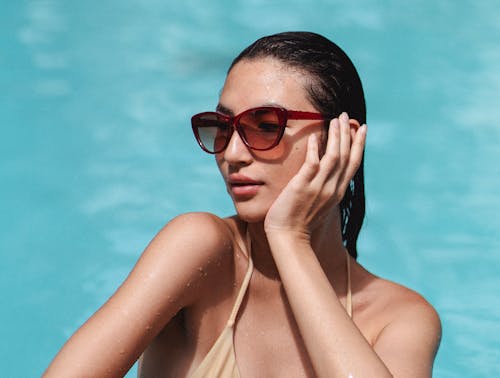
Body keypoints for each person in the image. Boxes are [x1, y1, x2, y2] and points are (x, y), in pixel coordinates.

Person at [44, 31, 441, 377]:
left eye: (266, 126)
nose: (232, 153)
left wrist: (290, 239)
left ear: (342, 140)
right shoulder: (202, 252)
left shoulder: (400, 319)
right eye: (223, 127)